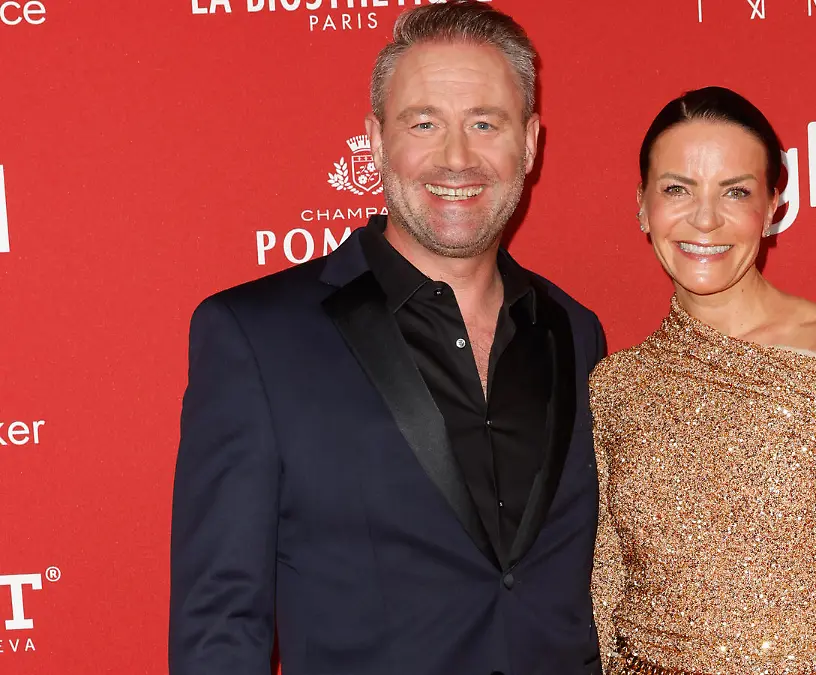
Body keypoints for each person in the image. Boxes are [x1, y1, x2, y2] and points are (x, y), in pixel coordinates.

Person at [168, 4, 606, 674]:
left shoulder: (575, 331)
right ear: (375, 141)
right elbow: (220, 626)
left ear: (530, 142)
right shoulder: (256, 337)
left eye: (484, 123)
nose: (456, 157)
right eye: (423, 123)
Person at [589, 87, 816, 675]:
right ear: (642, 206)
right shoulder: (616, 387)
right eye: (677, 189)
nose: (705, 219)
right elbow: (608, 587)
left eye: (736, 192)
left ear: (773, 207)